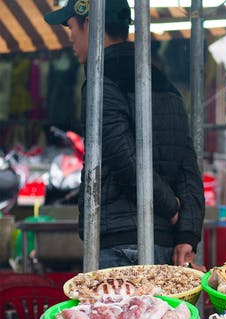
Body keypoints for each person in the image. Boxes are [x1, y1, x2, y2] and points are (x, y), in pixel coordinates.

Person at [45, 0, 205, 269]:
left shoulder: (101, 81)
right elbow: (187, 166)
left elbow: (123, 158)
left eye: (71, 26)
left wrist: (173, 210)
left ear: (90, 23)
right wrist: (187, 233)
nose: (70, 37)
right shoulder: (164, 84)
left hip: (122, 246)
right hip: (163, 243)